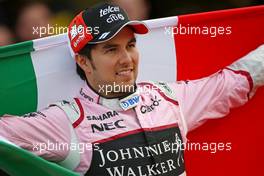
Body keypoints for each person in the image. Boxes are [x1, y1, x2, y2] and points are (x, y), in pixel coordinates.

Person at [0, 2, 264, 176]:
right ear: (83, 61)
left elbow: (236, 80)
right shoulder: (64, 121)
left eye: (130, 45)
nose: (127, 59)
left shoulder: (169, 98)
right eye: (111, 49)